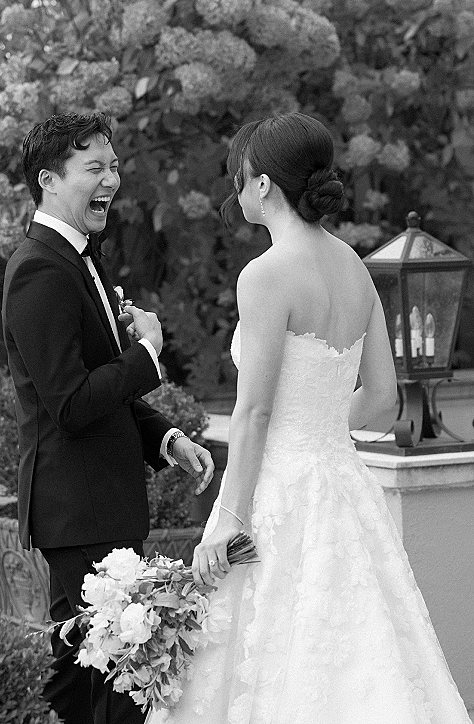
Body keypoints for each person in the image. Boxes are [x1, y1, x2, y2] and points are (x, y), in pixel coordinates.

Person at [147, 113, 471, 723]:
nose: (235, 192)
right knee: (363, 653)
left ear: (264, 184)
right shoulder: (355, 265)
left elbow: (255, 410)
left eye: (239, 178)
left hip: (276, 490)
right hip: (343, 484)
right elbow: (382, 400)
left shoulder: (265, 275)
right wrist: (320, 434)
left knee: (265, 654)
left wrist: (230, 519)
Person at [2, 111, 214, 724]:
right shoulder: (40, 267)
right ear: (48, 179)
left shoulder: (79, 258)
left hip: (96, 505)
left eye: (113, 165)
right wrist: (147, 354)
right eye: (93, 168)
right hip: (79, 511)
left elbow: (98, 389)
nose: (111, 180)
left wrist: (165, 438)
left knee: (83, 681)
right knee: (116, 682)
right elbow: (69, 404)